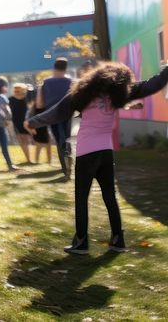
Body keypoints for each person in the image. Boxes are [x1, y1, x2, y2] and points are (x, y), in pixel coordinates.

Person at [28, 62, 168, 254]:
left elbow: (55, 114)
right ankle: (118, 240)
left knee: (82, 198)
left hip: (87, 152)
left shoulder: (81, 94)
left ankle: (81, 242)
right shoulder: (119, 92)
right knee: (109, 195)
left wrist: (31, 122)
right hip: (106, 151)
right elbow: (154, 84)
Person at [37, 57, 74, 180]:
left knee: (59, 142)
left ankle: (66, 171)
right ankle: (70, 165)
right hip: (68, 114)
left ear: (54, 67)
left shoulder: (46, 83)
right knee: (67, 139)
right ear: (65, 68)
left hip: (52, 115)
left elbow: (39, 104)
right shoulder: (71, 82)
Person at [27, 86, 54, 165]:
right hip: (38, 128)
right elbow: (28, 119)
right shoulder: (33, 107)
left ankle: (49, 161)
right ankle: (37, 161)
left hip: (44, 128)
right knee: (39, 145)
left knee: (47, 145)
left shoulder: (44, 104)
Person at [8, 84, 34, 164]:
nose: (16, 92)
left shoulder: (27, 99)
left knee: (27, 140)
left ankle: (31, 158)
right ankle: (28, 158)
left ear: (23, 90)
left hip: (26, 121)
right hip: (16, 122)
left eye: (18, 90)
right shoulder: (10, 99)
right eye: (15, 90)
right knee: (21, 141)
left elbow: (31, 109)